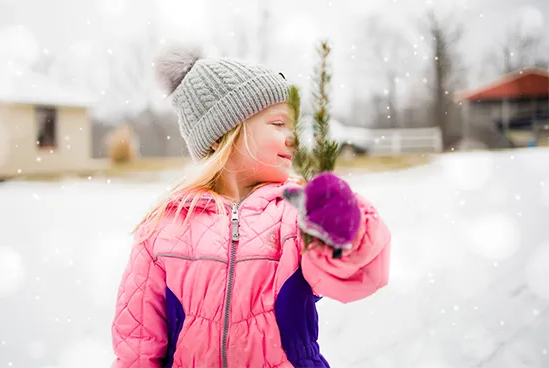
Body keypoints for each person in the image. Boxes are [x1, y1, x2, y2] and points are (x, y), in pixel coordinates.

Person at [110, 45, 391, 368]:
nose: (294, 139)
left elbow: (361, 271)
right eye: (278, 125)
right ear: (222, 135)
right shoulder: (164, 227)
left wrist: (345, 222)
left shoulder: (294, 216)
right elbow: (138, 346)